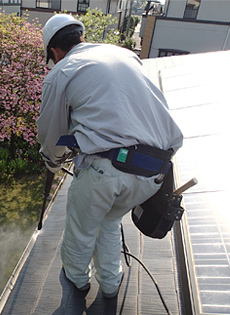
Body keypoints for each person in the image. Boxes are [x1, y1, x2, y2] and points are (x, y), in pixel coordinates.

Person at [36, 14, 183, 299]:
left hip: (107, 172)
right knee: (109, 221)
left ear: (54, 51)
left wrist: (52, 161)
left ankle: (77, 282)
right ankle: (111, 284)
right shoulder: (123, 55)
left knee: (81, 230)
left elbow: (51, 133)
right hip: (154, 170)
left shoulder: (62, 71)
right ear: (80, 36)